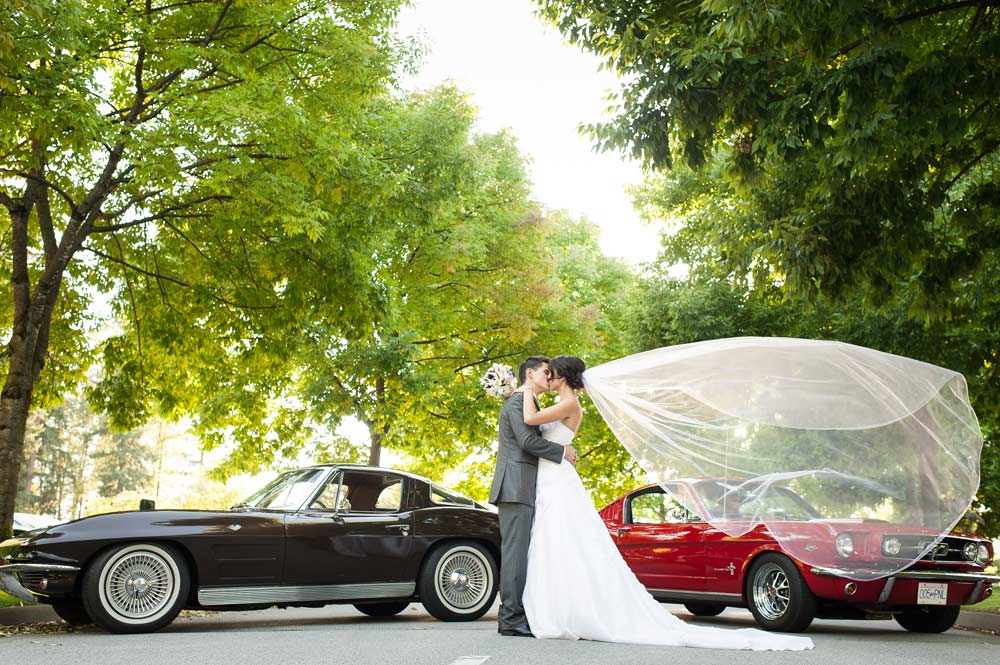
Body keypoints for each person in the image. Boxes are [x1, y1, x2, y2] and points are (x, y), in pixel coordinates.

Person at [519, 355, 814, 651]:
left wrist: (525, 390)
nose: (548, 380)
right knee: (553, 542)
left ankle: (565, 612)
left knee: (559, 539)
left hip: (557, 479)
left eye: (552, 375)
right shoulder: (560, 403)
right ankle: (559, 606)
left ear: (563, 377)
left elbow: (530, 420)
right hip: (550, 476)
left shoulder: (569, 404)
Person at [488, 356, 578, 638]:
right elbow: (527, 442)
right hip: (515, 486)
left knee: (523, 553)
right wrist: (563, 452)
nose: (549, 376)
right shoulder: (517, 402)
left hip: (525, 486)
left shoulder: (529, 402)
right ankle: (511, 618)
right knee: (515, 554)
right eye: (544, 372)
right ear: (530, 373)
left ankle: (518, 613)